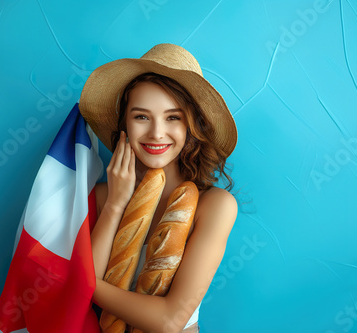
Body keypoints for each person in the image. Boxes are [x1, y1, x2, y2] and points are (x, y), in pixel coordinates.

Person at [79, 43, 238, 333]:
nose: (156, 132)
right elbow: (81, 303)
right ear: (124, 123)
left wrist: (81, 283)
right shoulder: (103, 196)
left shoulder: (214, 205)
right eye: (141, 116)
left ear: (192, 126)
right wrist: (116, 204)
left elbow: (170, 320)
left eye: (173, 117)